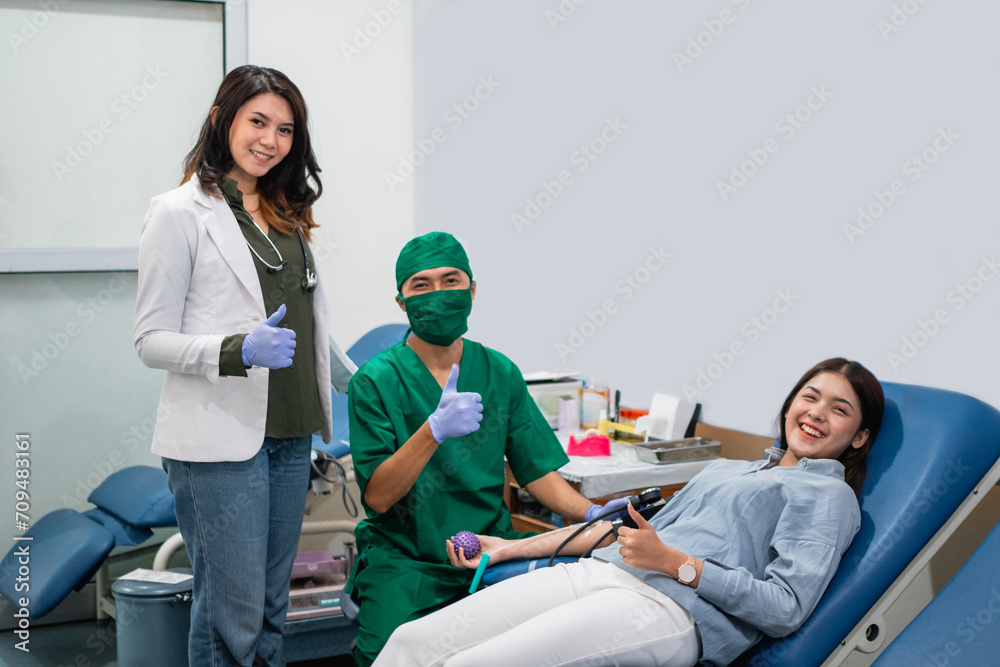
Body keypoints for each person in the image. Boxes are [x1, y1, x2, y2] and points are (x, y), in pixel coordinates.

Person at [374, 357, 885, 667]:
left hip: (673, 613)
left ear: (859, 436)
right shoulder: (730, 468)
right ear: (791, 404)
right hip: (602, 574)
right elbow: (620, 535)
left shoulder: (826, 497)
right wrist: (510, 547)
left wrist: (678, 565)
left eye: (839, 409)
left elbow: (785, 608)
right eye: (810, 397)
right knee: (413, 642)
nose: (816, 412)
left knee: (474, 664)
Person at [133, 65, 356, 667]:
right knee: (229, 615)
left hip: (291, 433)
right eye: (257, 121)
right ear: (221, 120)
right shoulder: (179, 212)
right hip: (218, 440)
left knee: (268, 607)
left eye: (285, 129)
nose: (270, 140)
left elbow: (310, 328)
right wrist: (235, 350)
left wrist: (363, 383)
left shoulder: (286, 214)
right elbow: (150, 340)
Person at [345, 231, 624, 666]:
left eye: (451, 280)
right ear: (401, 302)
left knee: (544, 641)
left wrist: (590, 513)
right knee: (386, 658)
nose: (438, 293)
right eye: (421, 285)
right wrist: (432, 431)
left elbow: (537, 473)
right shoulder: (375, 382)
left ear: (472, 290)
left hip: (493, 548)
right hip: (407, 562)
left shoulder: (499, 371)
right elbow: (379, 497)